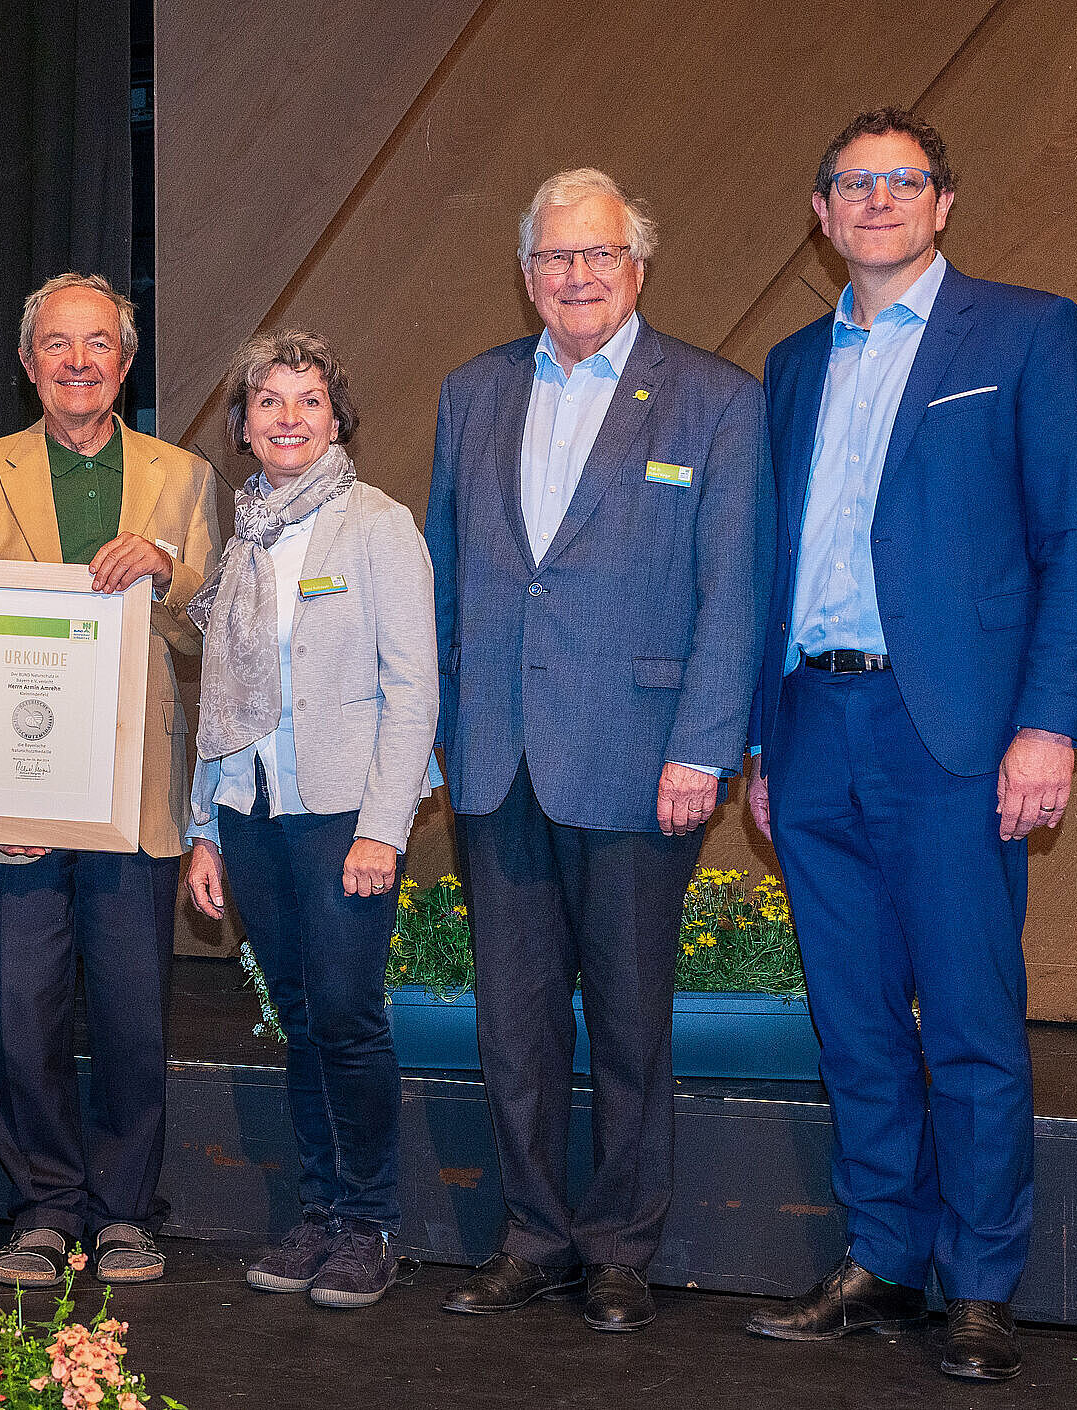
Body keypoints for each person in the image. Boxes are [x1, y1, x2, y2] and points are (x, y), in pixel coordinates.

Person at [741, 109, 1077, 1383]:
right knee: (853, 1025)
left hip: (953, 733)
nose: (880, 200)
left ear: (942, 204)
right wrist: (758, 748)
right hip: (813, 728)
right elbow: (766, 564)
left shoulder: (1025, 333)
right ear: (823, 210)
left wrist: (1051, 722)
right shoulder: (793, 363)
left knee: (967, 1021)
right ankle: (886, 1261)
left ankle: (984, 1283)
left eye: (904, 181)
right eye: (856, 182)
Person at [425, 169, 768, 1333]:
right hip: (497, 759)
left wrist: (705, 749)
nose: (576, 276)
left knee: (629, 1023)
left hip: (637, 759)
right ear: (525, 276)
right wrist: (437, 732)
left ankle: (621, 1245)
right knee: (512, 1026)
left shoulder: (715, 400)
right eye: (554, 259)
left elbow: (735, 594)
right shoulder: (471, 394)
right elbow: (450, 578)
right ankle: (534, 1235)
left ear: (638, 267)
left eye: (598, 256)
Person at [0, 273, 222, 1289]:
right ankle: (45, 1206)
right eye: (58, 343)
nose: (79, 362)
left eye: (99, 343)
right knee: (22, 1014)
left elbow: (205, 631)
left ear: (126, 363)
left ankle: (127, 1210)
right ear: (27, 363)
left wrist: (169, 571)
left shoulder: (181, 477)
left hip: (133, 791)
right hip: (15, 793)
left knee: (135, 1018)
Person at [182, 330, 437, 1310]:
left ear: (338, 420)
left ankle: (370, 1221)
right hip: (250, 812)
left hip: (342, 816)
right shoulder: (240, 536)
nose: (288, 417)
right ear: (244, 426)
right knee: (294, 1018)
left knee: (347, 1016)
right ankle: (320, 1211)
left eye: (308, 401)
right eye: (269, 401)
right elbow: (222, 691)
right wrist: (206, 827)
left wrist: (384, 827)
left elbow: (414, 692)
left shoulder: (377, 527)